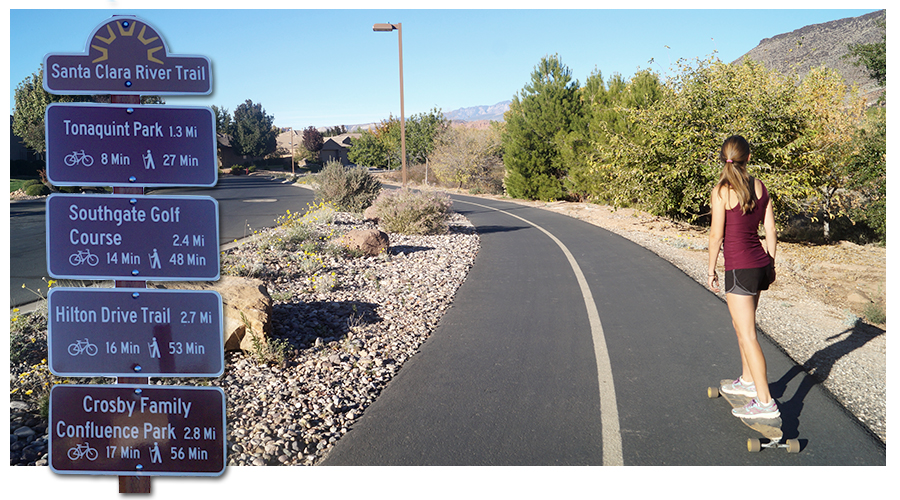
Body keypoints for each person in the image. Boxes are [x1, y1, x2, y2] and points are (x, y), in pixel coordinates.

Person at [707, 135, 780, 419]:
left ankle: (765, 403)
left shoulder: (722, 191)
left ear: (723, 158)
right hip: (760, 264)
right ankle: (748, 382)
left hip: (739, 269)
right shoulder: (760, 187)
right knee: (742, 327)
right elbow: (771, 231)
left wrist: (712, 268)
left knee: (747, 333)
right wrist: (771, 264)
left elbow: (716, 235)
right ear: (748, 158)